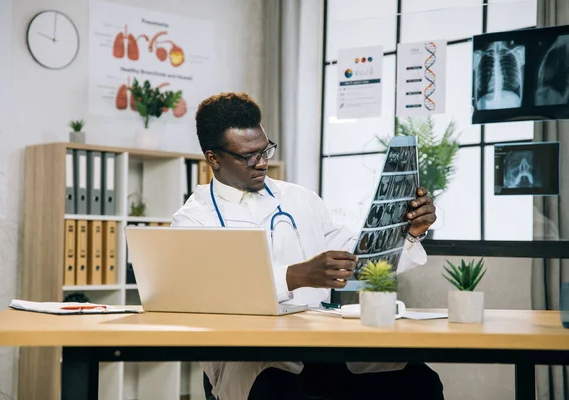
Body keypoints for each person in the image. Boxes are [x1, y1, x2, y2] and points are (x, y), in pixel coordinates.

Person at [172, 92, 443, 400]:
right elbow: (206, 297)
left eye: (266, 150)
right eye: (250, 156)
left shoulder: (300, 199)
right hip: (257, 359)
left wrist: (408, 232)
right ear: (214, 158)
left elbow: (358, 258)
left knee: (419, 380)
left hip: (323, 346)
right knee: (279, 390)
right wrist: (294, 276)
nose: (262, 163)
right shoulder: (194, 220)